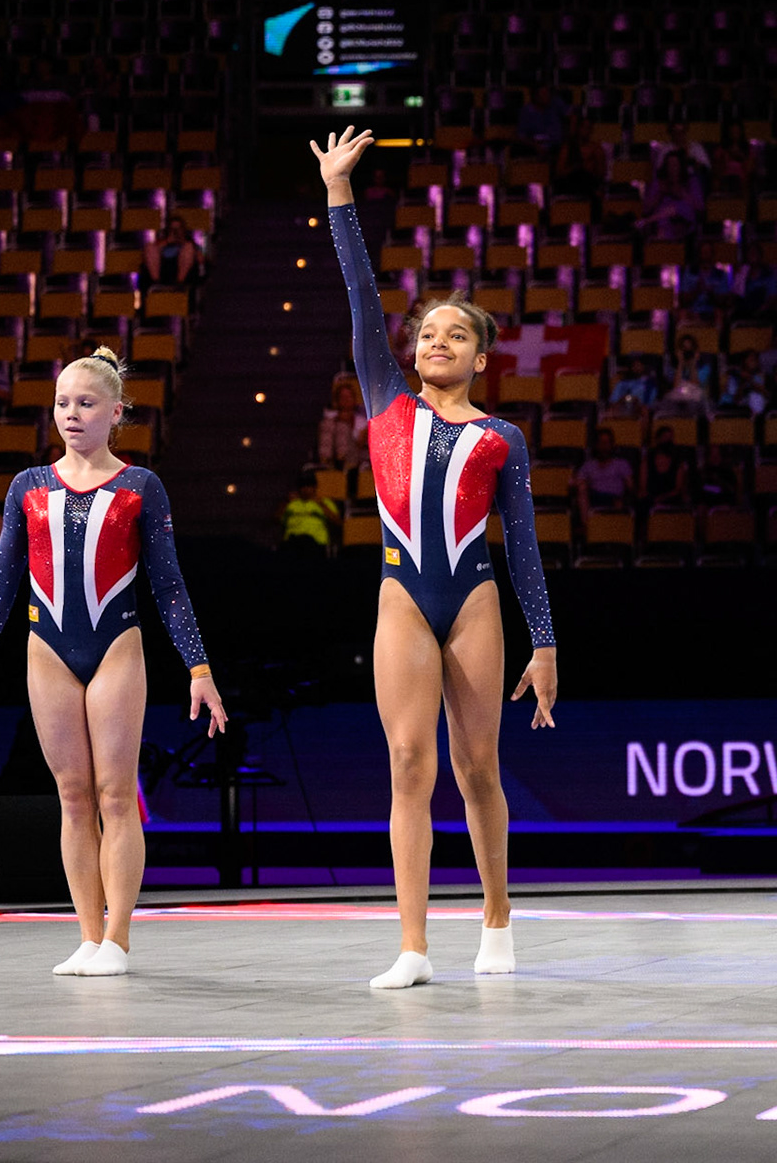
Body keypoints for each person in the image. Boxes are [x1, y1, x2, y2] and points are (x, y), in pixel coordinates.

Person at [313, 126, 558, 990]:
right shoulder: (384, 400)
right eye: (428, 334)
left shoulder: (501, 438)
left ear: (482, 358)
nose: (437, 342)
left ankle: (496, 918)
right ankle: (413, 946)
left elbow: (522, 545)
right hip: (403, 595)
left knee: (476, 765)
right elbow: (357, 295)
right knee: (410, 764)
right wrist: (339, 193)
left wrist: (547, 643)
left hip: (477, 597)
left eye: (457, 336)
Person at [0, 346, 225, 979]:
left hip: (116, 648)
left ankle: (119, 939)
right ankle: (87, 933)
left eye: (86, 403)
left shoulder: (139, 487)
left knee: (114, 794)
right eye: (62, 403)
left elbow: (170, 584)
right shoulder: (29, 487)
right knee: (73, 797)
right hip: (47, 649)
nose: (71, 415)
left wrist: (199, 669)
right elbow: (1, 580)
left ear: (116, 413)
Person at [575, 426, 635, 521]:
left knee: (620, 503)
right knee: (582, 491)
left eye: (607, 443)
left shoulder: (621, 464)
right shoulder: (588, 465)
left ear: (612, 445)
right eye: (601, 443)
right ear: (596, 445)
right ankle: (588, 529)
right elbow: (578, 482)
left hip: (614, 498)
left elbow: (631, 487)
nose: (604, 446)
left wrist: (625, 499)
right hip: (594, 497)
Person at [316, 376, 370, 469]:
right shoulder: (330, 419)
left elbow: (361, 444)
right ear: (337, 400)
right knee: (329, 425)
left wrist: (348, 424)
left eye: (349, 396)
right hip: (332, 454)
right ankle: (325, 462)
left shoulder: (361, 421)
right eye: (342, 397)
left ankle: (342, 462)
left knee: (342, 428)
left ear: (354, 399)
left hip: (353, 456)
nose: (346, 400)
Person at [280, 471, 335, 557]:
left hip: (316, 543)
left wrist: (322, 505)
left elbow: (338, 522)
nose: (305, 489)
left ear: (315, 487)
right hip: (293, 542)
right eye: (302, 486)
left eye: (308, 485)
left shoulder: (324, 502)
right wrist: (286, 503)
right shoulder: (291, 503)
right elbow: (276, 519)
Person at [144, 214, 200, 286]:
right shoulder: (162, 241)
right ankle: (156, 283)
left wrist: (181, 242)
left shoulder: (190, 244)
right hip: (162, 268)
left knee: (188, 249)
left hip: (181, 272)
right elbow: (152, 253)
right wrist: (168, 241)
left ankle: (179, 284)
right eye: (172, 229)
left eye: (178, 229)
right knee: (149, 247)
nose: (175, 232)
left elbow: (200, 258)